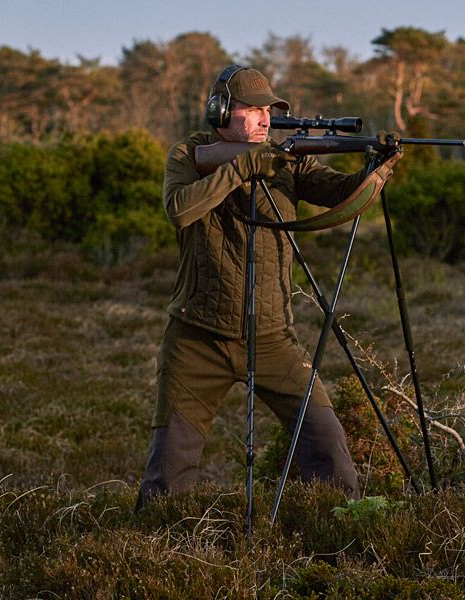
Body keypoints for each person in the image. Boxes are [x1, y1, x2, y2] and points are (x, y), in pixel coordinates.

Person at [136, 64, 399, 511]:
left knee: (326, 444)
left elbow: (338, 191)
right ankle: (154, 541)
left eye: (268, 111)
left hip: (273, 336)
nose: (264, 120)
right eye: (253, 109)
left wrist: (377, 169)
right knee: (170, 467)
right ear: (221, 111)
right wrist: (242, 167)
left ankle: (344, 530)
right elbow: (180, 210)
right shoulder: (189, 154)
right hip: (197, 336)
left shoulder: (284, 159)